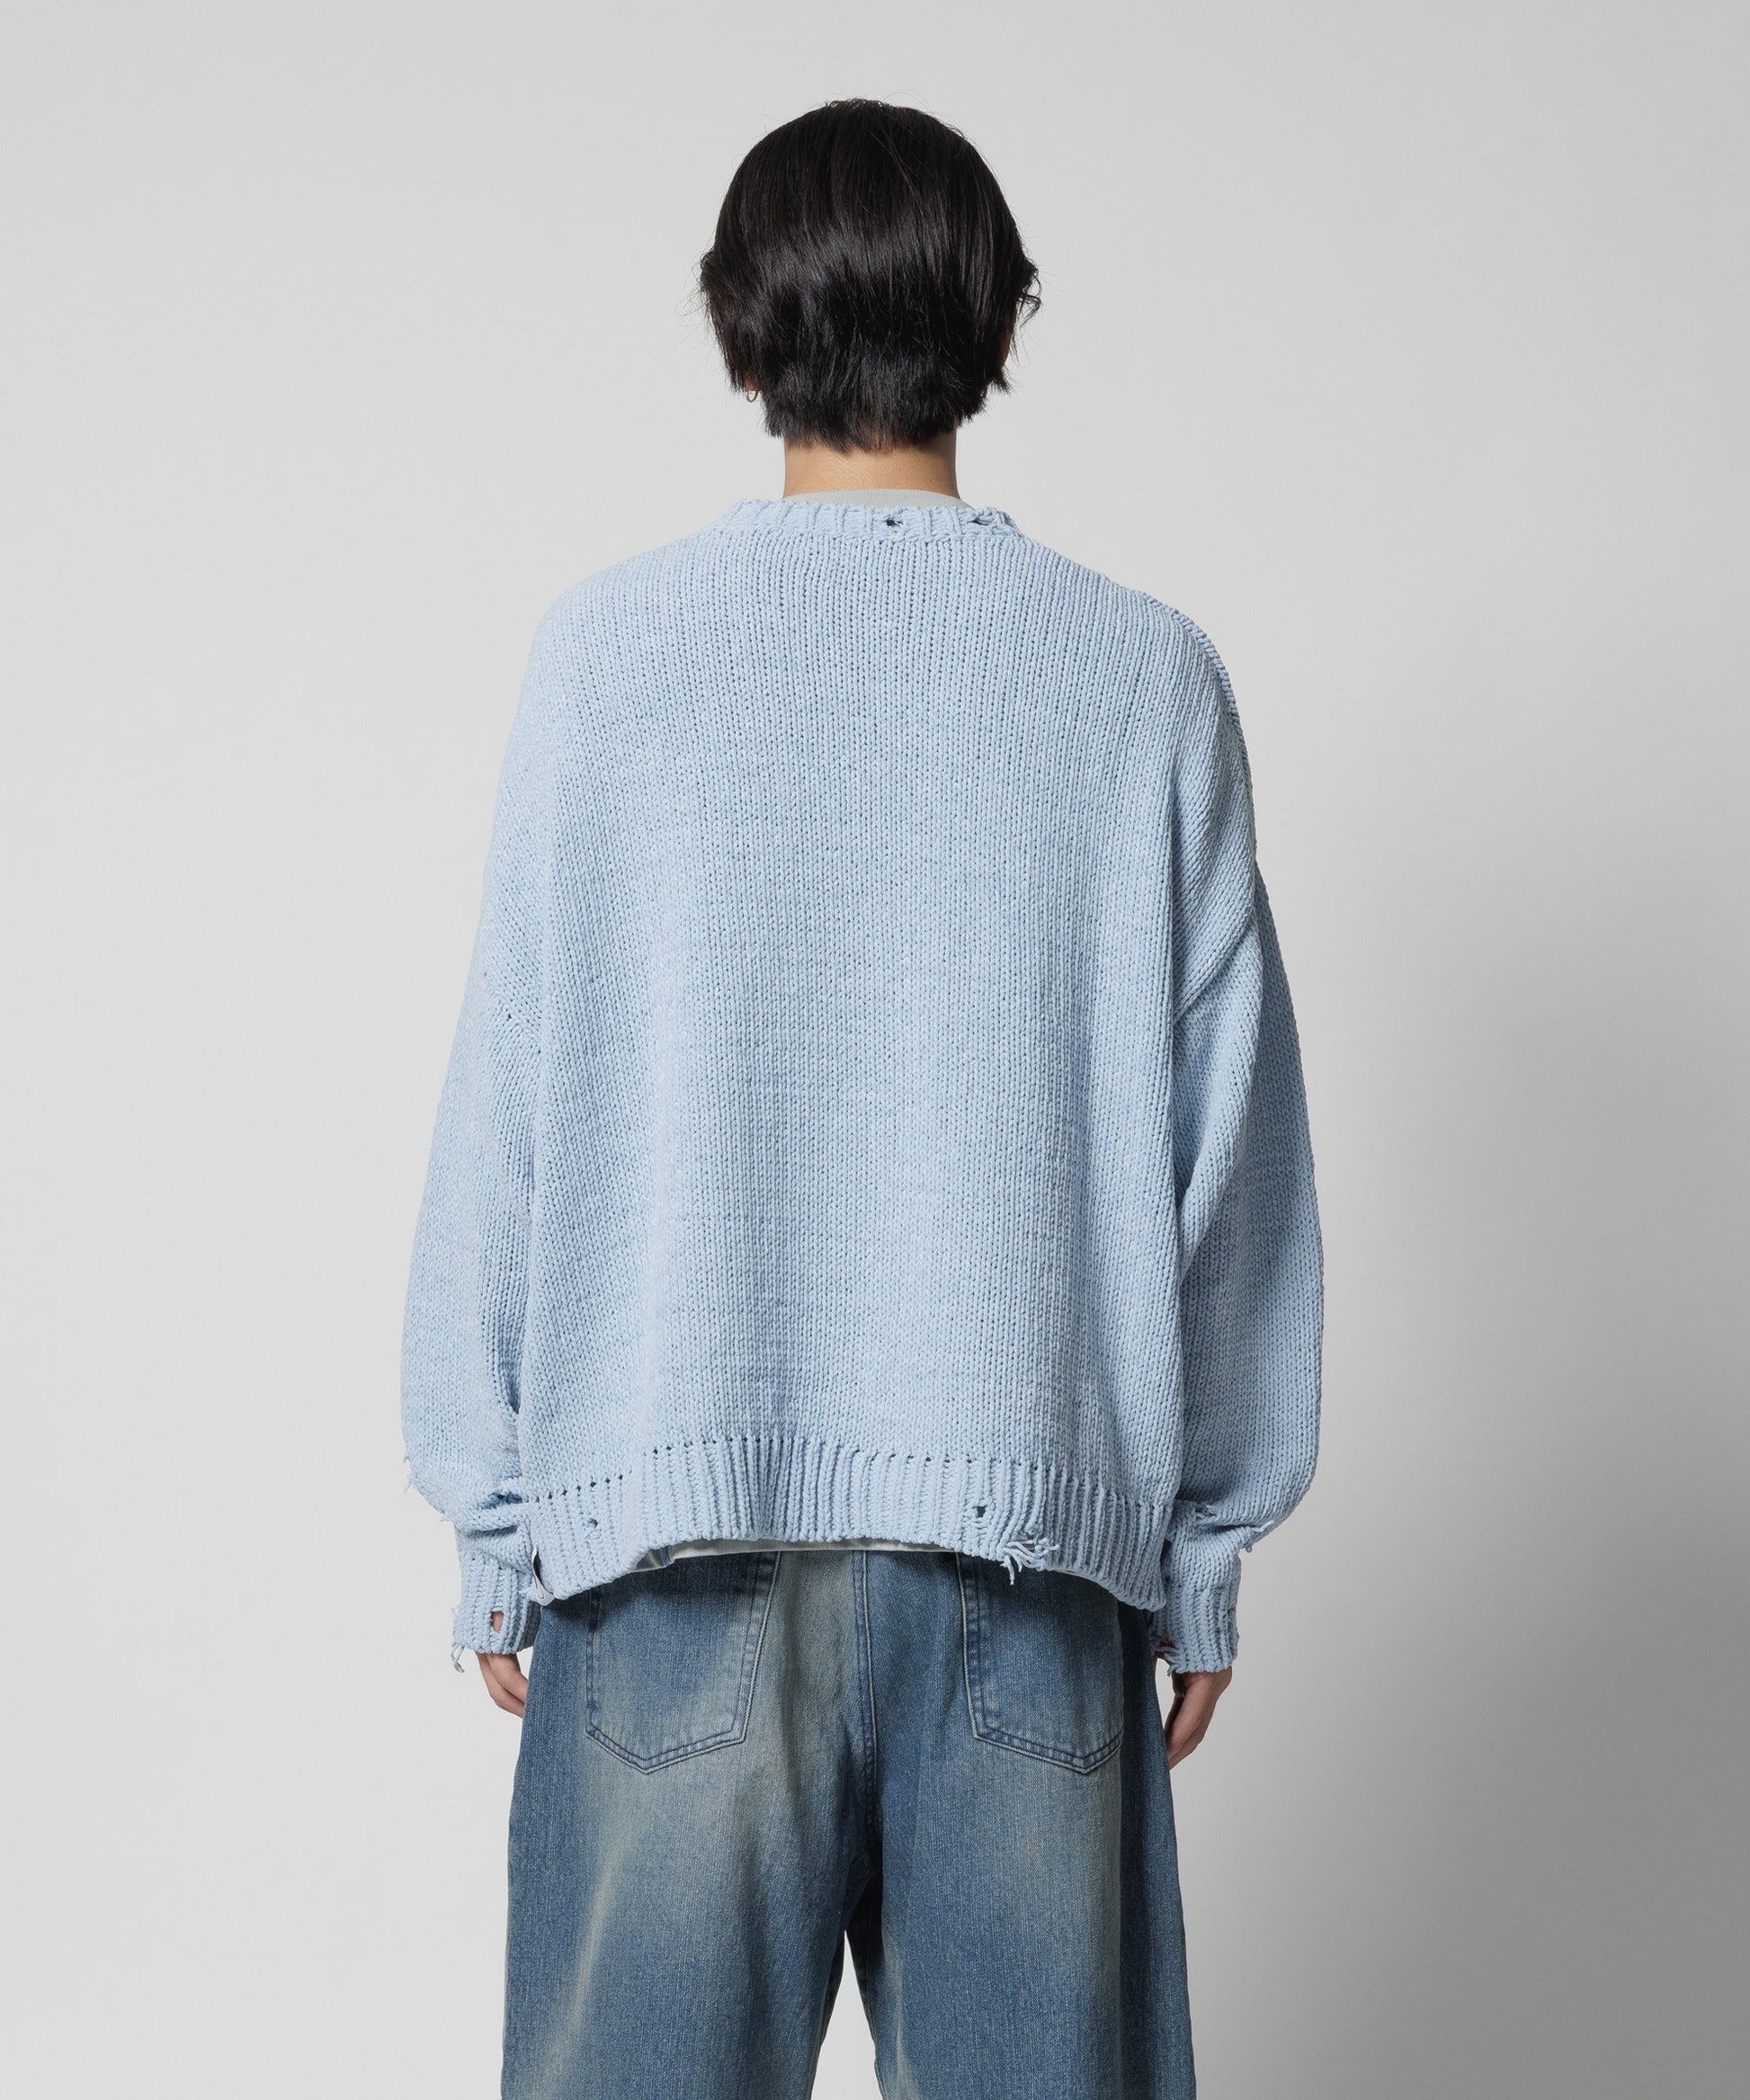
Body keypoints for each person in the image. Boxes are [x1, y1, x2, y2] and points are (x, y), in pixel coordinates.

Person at [402, 96, 1322, 2100]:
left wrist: (494, 1516)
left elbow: (512, 1111)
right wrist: (1202, 1547)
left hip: (665, 1567)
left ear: (741, 330)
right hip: (1026, 1571)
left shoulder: (608, 661)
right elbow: (1228, 1160)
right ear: (995, 323)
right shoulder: (1140, 680)